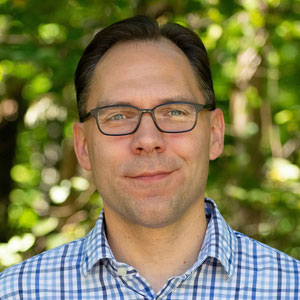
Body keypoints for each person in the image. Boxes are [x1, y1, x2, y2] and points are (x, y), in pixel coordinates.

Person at [0, 15, 299, 299]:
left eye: (174, 111)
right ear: (83, 147)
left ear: (215, 134)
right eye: (117, 115)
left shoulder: (290, 289)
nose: (148, 140)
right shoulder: (16, 293)